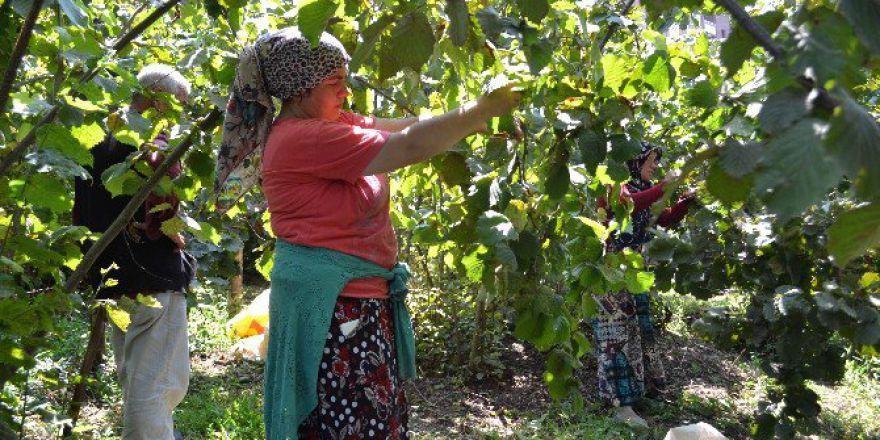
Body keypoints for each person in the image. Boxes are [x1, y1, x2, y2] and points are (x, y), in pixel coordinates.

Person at [215, 28, 520, 439]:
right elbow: (408, 147)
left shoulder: (328, 120)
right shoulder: (307, 138)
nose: (346, 92)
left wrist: (475, 122)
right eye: (334, 82)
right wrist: (481, 109)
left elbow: (406, 127)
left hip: (352, 305)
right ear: (300, 89)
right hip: (337, 312)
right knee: (351, 426)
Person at [73, 63, 194, 440]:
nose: (179, 117)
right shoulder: (152, 148)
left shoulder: (93, 140)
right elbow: (163, 216)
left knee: (137, 378)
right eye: (178, 106)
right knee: (156, 386)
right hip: (152, 276)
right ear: (159, 102)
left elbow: (81, 213)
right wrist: (177, 237)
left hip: (109, 275)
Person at [594, 143, 695, 429]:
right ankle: (620, 405)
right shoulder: (614, 185)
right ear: (634, 162)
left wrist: (685, 203)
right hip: (611, 270)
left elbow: (662, 218)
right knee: (617, 335)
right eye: (651, 161)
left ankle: (640, 393)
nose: (654, 167)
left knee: (638, 332)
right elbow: (628, 204)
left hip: (634, 270)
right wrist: (665, 186)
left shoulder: (642, 187)